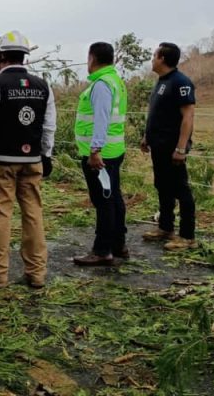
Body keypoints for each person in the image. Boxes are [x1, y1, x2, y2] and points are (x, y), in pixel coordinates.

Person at [0, 31, 56, 289]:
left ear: (1, 57)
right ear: (25, 58)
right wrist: (46, 154)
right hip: (33, 161)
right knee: (33, 214)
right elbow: (50, 125)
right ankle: (37, 272)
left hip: (1, 162)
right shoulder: (43, 86)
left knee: (0, 214)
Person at [73, 42, 129, 266]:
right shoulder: (116, 81)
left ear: (92, 58)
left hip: (101, 154)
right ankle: (118, 244)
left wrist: (95, 150)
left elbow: (102, 118)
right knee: (114, 197)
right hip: (114, 150)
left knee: (104, 200)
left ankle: (102, 249)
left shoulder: (102, 85)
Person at [141, 42, 197, 250]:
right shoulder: (162, 82)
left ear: (162, 58)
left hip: (173, 148)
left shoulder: (181, 82)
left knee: (180, 189)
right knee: (162, 186)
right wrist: (148, 136)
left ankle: (187, 236)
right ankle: (165, 227)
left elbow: (188, 116)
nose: (152, 59)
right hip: (159, 146)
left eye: (154, 55)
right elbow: (159, 114)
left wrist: (181, 148)